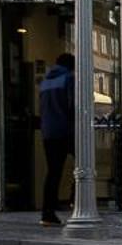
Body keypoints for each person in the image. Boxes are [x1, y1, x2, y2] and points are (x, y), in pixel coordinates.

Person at [38, 52, 75, 226]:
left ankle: (47, 213)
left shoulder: (45, 82)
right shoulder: (68, 79)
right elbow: (73, 105)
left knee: (53, 172)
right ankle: (77, 202)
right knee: (84, 166)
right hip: (66, 130)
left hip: (48, 132)